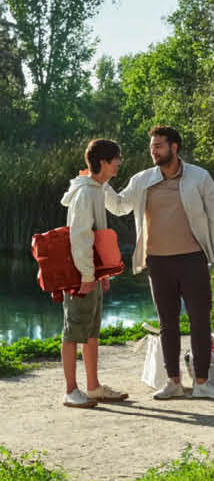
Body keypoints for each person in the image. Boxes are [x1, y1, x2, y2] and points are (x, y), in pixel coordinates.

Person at [103, 126, 214, 399]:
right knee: (167, 323)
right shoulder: (142, 180)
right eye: (152, 146)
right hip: (158, 261)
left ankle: (202, 383)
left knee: (200, 320)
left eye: (159, 146)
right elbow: (119, 206)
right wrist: (99, 182)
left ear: (174, 147)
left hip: (193, 259)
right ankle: (173, 382)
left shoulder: (200, 177)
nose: (153, 151)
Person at [59, 139, 130, 408]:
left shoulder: (97, 190)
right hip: (80, 275)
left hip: (92, 274)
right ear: (103, 162)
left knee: (90, 331)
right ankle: (70, 391)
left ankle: (93, 387)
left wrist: (102, 275)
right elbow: (79, 237)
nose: (119, 164)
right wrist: (88, 276)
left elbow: (97, 238)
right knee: (72, 331)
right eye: (116, 159)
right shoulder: (86, 193)